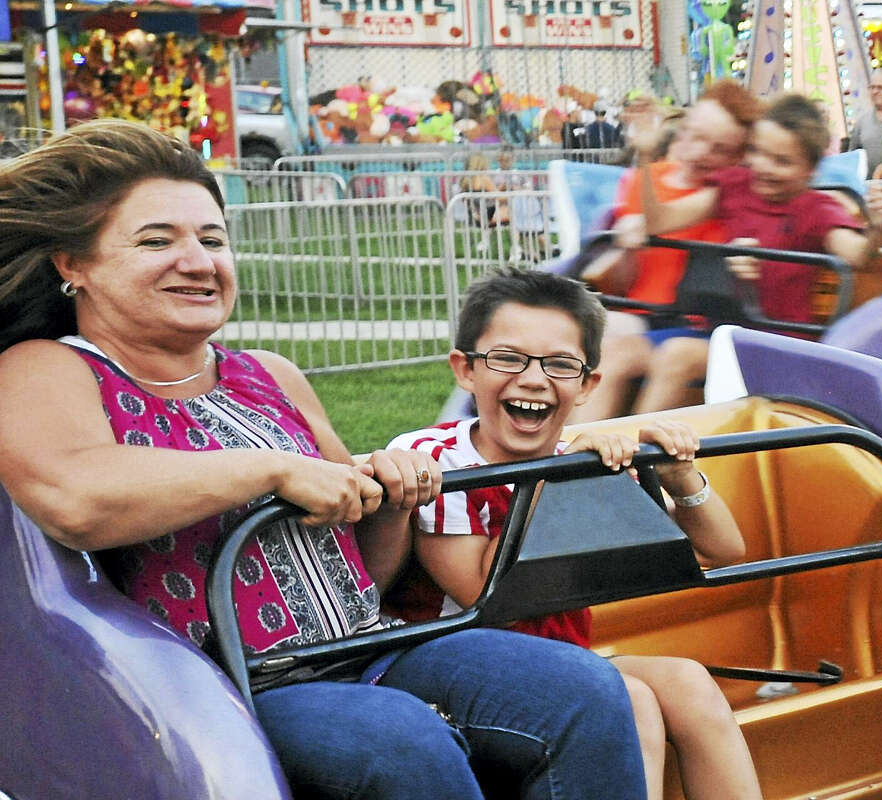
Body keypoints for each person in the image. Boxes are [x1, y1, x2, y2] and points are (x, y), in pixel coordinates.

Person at [0, 119, 648, 800]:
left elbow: (363, 566)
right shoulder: (47, 369)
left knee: (582, 689)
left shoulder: (268, 373)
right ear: (73, 265)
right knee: (395, 741)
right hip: (220, 683)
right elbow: (76, 498)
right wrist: (271, 469)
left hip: (366, 644)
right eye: (157, 240)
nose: (197, 260)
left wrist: (389, 497)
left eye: (212, 239)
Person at [386, 267, 762, 800]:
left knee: (689, 683)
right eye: (508, 359)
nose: (534, 380)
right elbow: (490, 599)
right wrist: (555, 479)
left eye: (560, 365)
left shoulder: (579, 462)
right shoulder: (437, 458)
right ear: (466, 370)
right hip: (449, 665)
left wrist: (678, 475)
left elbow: (723, 550)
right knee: (628, 702)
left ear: (587, 386)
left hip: (562, 659)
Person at [625, 94, 882, 413]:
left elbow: (858, 254)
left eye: (781, 161)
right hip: (723, 333)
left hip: (778, 344)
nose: (763, 168)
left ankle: (633, 458)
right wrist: (644, 156)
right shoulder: (737, 187)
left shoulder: (816, 210)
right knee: (619, 350)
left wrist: (877, 226)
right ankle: (570, 457)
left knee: (676, 355)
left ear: (809, 169)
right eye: (757, 153)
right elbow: (660, 221)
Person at [571, 80, 761, 422]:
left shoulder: (730, 196)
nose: (700, 151)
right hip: (642, 316)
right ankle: (566, 458)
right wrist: (628, 246)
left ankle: (621, 458)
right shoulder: (646, 180)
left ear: (738, 157)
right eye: (694, 135)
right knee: (588, 336)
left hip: (693, 324)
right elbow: (623, 279)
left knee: (612, 344)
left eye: (718, 148)